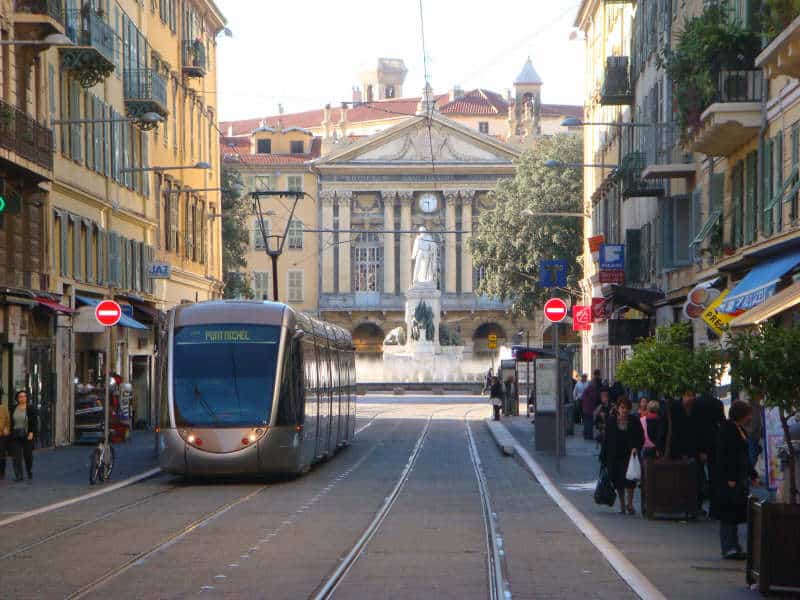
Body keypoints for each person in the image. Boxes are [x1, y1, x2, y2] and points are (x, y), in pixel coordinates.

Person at [714, 400, 757, 560]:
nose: (750, 417)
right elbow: (728, 455)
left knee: (735, 511)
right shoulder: (728, 429)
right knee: (728, 512)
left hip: (739, 477)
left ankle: (734, 544)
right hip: (729, 478)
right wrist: (730, 477)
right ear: (741, 415)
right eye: (748, 414)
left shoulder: (739, 429)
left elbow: (742, 456)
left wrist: (752, 474)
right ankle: (728, 546)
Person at [601, 396, 644, 514]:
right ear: (618, 408)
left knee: (630, 480)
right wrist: (603, 456)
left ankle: (630, 504)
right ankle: (622, 505)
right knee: (618, 481)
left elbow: (641, 437)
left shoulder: (634, 420)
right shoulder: (611, 421)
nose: (624, 410)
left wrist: (636, 448)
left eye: (627, 408)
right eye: (622, 407)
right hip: (615, 456)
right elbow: (606, 439)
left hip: (630, 455)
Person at [8, 390, 37, 481]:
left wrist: (32, 432)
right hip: (15, 435)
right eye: (20, 396)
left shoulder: (30, 408)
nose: (22, 398)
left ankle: (29, 470)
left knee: (27, 455)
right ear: (17, 398)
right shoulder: (13, 408)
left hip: (27, 435)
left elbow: (34, 422)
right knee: (16, 457)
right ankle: (19, 475)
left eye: (24, 396)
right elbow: (10, 421)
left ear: (27, 398)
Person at [581, 370, 603, 441]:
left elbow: (583, 397)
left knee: (586, 422)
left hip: (585, 407)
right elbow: (594, 399)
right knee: (589, 422)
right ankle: (589, 435)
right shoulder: (594, 389)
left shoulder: (588, 388)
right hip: (590, 408)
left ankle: (586, 435)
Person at [0, 399, 9, 480]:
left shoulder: (3, 408)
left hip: (1, 435)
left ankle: (2, 473)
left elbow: (7, 421)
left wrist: (6, 428)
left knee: (2, 454)